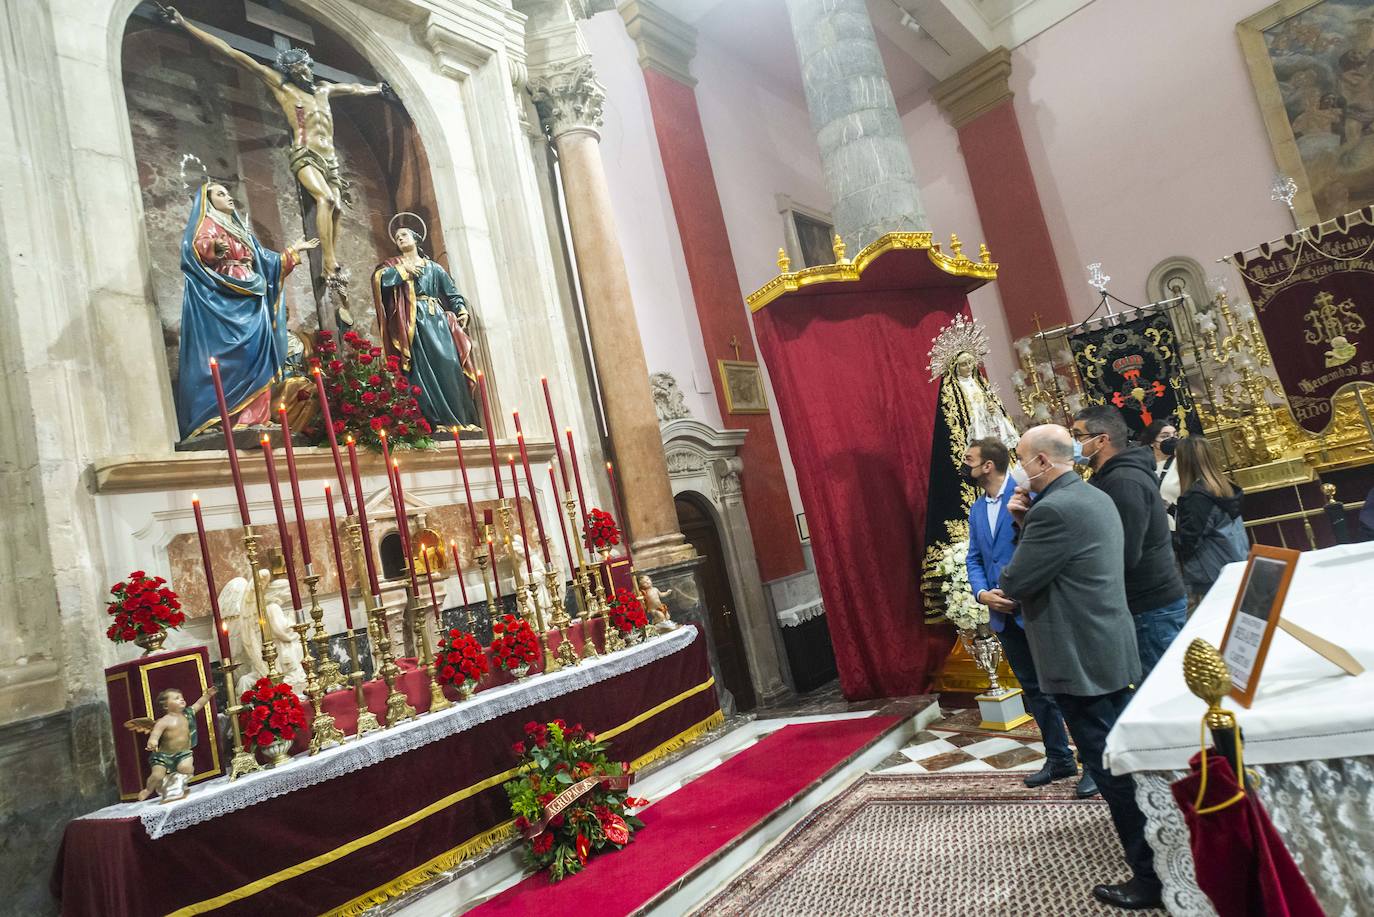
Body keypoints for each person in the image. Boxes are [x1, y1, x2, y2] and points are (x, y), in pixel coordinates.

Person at [999, 424, 1159, 911]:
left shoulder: (1053, 511)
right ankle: (1159, 858)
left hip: (1078, 656)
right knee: (1124, 759)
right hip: (1108, 644)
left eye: (1022, 460)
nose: (1019, 472)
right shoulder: (1090, 496)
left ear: (1044, 462)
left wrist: (1022, 523)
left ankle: (1150, 879)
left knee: (1110, 768)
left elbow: (1016, 578)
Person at [962, 437, 1092, 797]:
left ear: (988, 465)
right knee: (1033, 690)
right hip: (1002, 613)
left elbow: (1042, 547)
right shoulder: (976, 509)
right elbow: (975, 557)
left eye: (969, 459)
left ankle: (1092, 762)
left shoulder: (1026, 495)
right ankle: (1058, 757)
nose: (965, 464)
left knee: (1065, 686)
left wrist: (1018, 590)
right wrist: (982, 593)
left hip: (1035, 607)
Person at [175, 182, 318, 441]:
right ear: (207, 202)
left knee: (257, 357)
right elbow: (196, 249)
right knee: (231, 358)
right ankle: (223, 418)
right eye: (220, 194)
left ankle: (255, 417)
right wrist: (215, 248)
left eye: (228, 193)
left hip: (253, 299)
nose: (228, 197)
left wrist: (292, 252)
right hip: (224, 298)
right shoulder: (208, 223)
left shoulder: (240, 230)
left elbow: (265, 260)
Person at [1073, 405, 1188, 679]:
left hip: (1149, 604)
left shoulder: (1124, 481)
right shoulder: (1108, 477)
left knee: (1163, 685)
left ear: (1101, 440)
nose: (1073, 444)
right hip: (1142, 602)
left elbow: (1124, 551)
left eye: (1078, 436)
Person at [373, 226, 482, 432]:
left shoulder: (434, 268)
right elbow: (379, 280)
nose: (400, 239)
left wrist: (461, 309)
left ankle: (460, 419)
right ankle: (435, 421)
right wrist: (402, 272)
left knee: (449, 364)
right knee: (421, 368)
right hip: (412, 323)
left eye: (404, 234)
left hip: (437, 320)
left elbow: (451, 292)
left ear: (416, 238)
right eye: (397, 238)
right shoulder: (394, 265)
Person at [1174, 437, 1248, 603]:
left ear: (1184, 462)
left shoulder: (1197, 497)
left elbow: (1189, 540)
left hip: (1212, 574)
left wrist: (1166, 536)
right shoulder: (1225, 487)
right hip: (1234, 563)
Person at [127, 685, 217, 801]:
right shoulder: (163, 721)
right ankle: (148, 790)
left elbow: (199, 704)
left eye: (181, 697)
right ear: (166, 705)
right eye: (176, 698)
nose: (181, 699)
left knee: (186, 768)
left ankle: (178, 788)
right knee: (157, 775)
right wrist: (152, 741)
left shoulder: (187, 714)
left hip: (183, 754)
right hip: (163, 756)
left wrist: (208, 695)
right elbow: (155, 733)